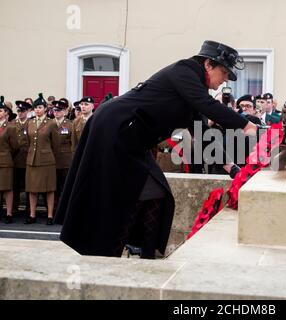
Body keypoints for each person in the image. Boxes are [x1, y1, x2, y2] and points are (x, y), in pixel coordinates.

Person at [55, 40, 258, 259]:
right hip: (115, 130)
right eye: (224, 73)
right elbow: (207, 105)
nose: (224, 81)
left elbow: (202, 134)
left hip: (133, 139)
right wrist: (245, 124)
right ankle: (110, 254)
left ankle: (146, 256)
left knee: (157, 194)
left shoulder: (192, 86)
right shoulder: (185, 70)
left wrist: (233, 168)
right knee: (117, 197)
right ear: (208, 64)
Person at [24, 93, 58, 225]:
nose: (37, 110)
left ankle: (50, 215)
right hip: (32, 159)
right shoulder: (30, 123)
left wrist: (47, 154)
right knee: (32, 189)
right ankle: (32, 215)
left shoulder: (51, 123)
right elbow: (28, 142)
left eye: (40, 107)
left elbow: (55, 144)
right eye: (35, 108)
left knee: (49, 189)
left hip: (46, 161)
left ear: (45, 108)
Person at [11, 100, 32, 219]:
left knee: (29, 185)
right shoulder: (13, 123)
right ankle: (15, 207)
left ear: (27, 111)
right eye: (18, 111)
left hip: (27, 158)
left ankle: (29, 208)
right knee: (15, 185)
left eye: (22, 111)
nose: (20, 113)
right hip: (15, 159)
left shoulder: (31, 123)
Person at [52, 99, 73, 209]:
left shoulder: (70, 125)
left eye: (59, 110)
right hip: (51, 160)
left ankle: (64, 208)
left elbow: (72, 143)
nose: (56, 112)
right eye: (55, 110)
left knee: (65, 186)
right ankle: (54, 208)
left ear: (65, 112)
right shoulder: (49, 124)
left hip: (65, 160)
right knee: (53, 187)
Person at [0, 96, 17, 223]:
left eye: (1, 110)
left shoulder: (10, 127)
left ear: (6, 113)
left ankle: (9, 213)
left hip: (6, 161)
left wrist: (7, 155)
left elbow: (15, 146)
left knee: (7, 188)